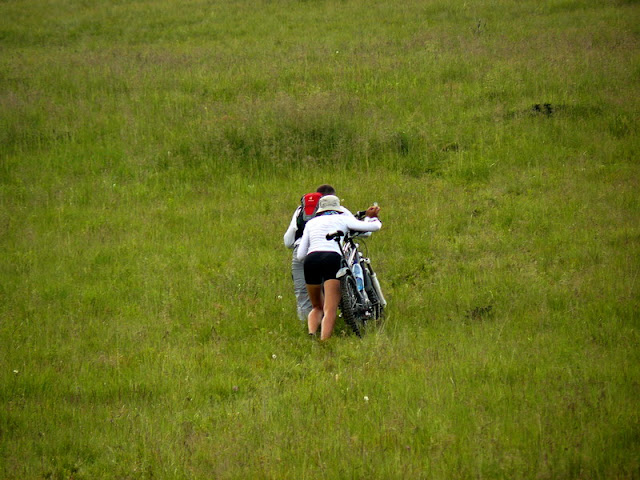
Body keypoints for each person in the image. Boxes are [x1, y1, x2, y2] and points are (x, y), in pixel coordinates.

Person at [297, 195, 381, 341]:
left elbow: (300, 255)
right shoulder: (342, 218)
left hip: (311, 260)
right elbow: (373, 227)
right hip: (331, 258)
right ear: (337, 208)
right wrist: (371, 218)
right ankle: (324, 341)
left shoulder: (311, 223)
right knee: (330, 309)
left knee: (317, 307)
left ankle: (311, 334)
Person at [284, 185, 352, 323]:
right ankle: (331, 324)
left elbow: (288, 241)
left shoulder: (300, 210)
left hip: (303, 254)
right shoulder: (340, 210)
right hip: (331, 253)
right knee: (331, 291)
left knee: (304, 294)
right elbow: (364, 232)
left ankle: (308, 327)